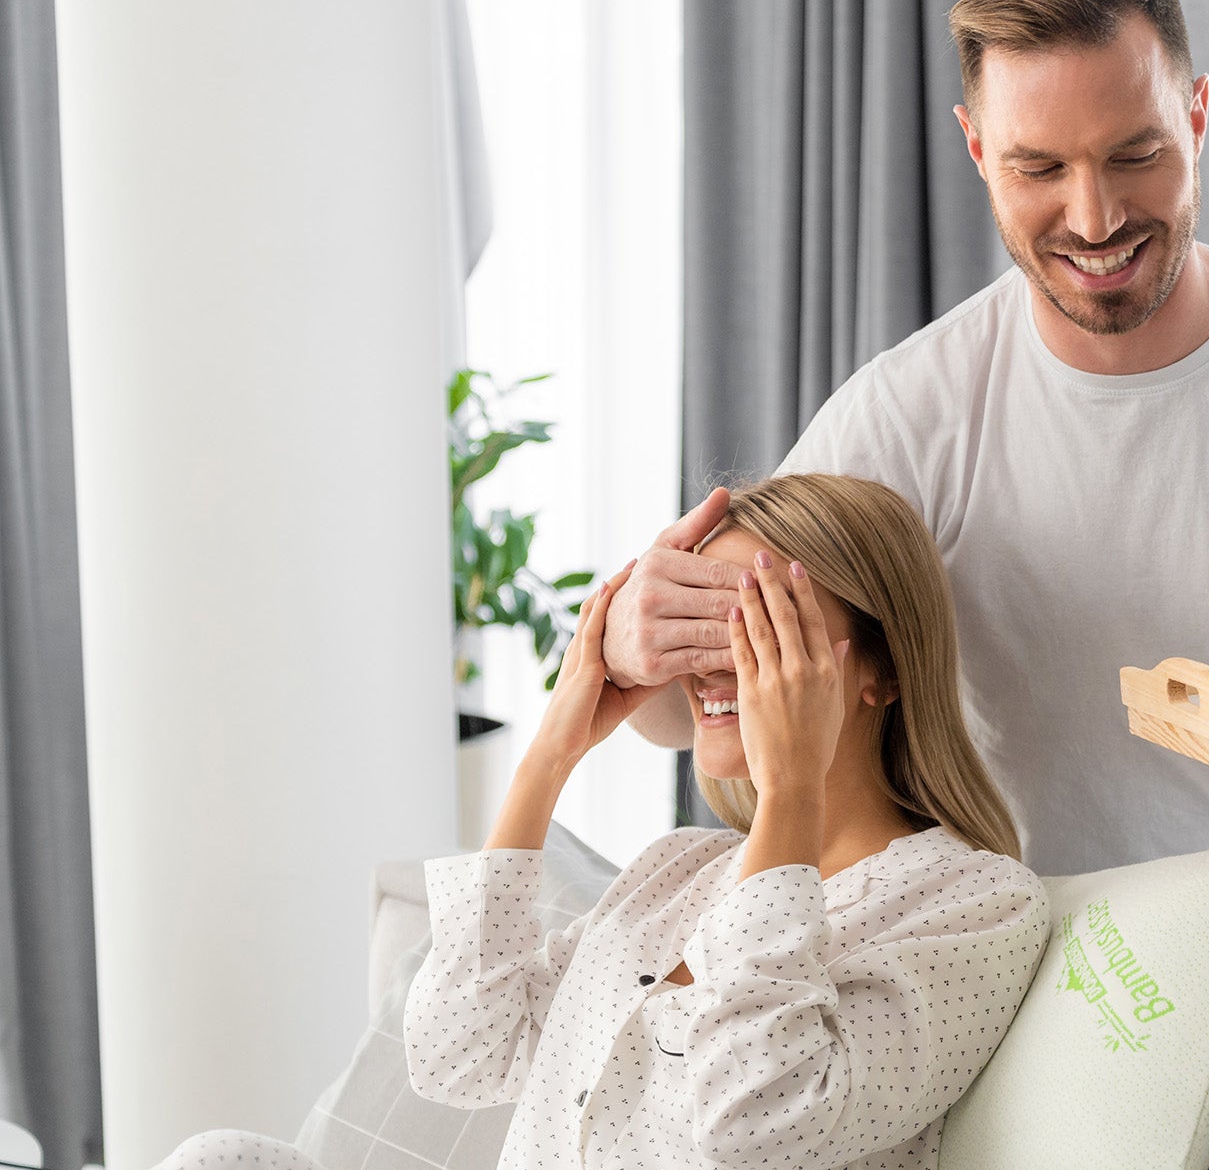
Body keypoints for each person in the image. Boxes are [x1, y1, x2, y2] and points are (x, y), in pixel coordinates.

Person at [603, 0, 1209, 1016]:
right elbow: (697, 716)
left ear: (1199, 116)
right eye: (1041, 167)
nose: (1095, 217)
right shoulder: (906, 418)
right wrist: (640, 650)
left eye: (1136, 155)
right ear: (978, 148)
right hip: (1026, 1020)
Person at [157, 474, 1048, 1170]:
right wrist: (553, 747)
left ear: (882, 672)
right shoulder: (679, 873)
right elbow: (457, 1054)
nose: (712, 662)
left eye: (762, 626)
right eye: (701, 622)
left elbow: (758, 1119)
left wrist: (792, 797)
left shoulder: (973, 904)